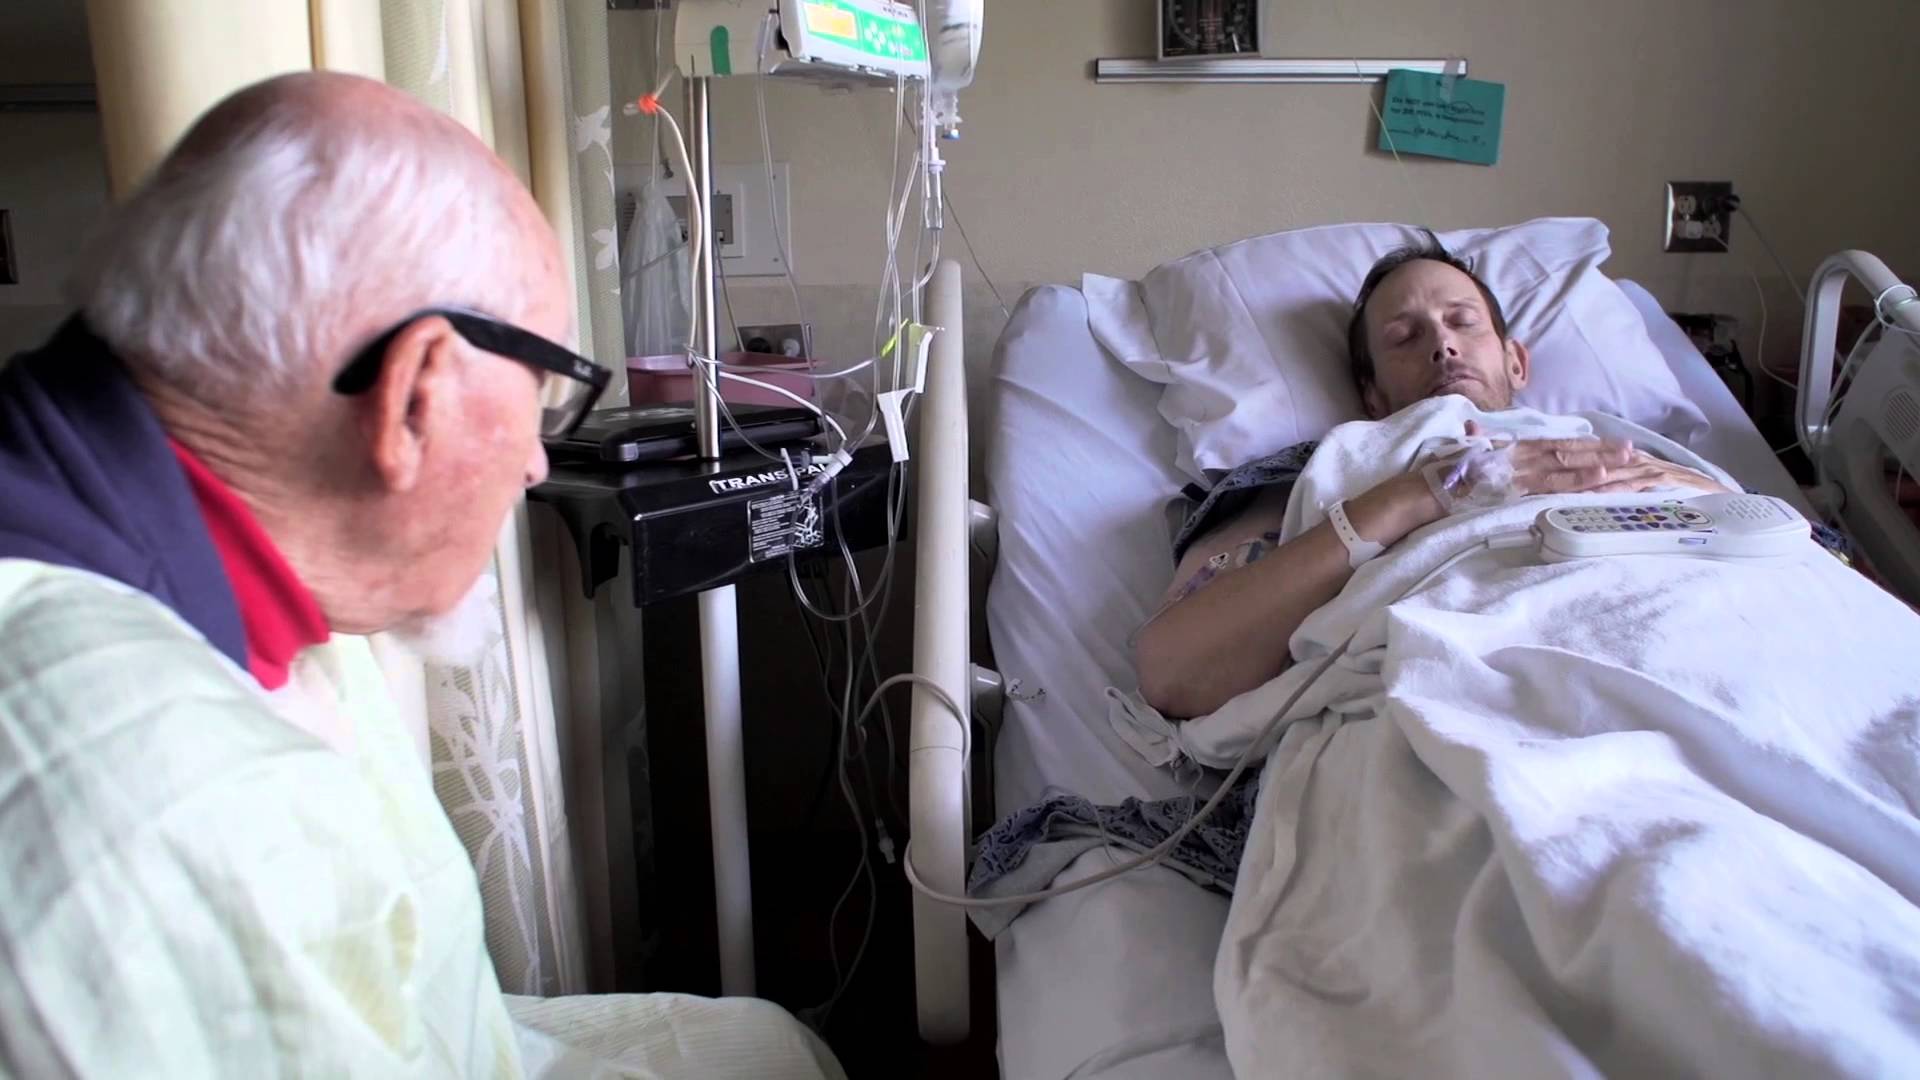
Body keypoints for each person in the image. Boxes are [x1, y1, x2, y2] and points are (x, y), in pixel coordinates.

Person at [0, 72, 842, 1078]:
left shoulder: (195, 557)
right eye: (541, 402)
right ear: (415, 395)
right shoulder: (159, 809)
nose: (536, 463)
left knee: (771, 1046)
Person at [1134, 238, 1749, 720]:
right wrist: (1422, 495)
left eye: (1463, 321)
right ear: (1372, 396)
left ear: (1516, 360)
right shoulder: (1321, 471)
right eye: (1405, 337)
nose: (1443, 345)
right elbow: (1174, 666)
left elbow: (1802, 551)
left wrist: (1692, 490)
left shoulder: (1630, 447)